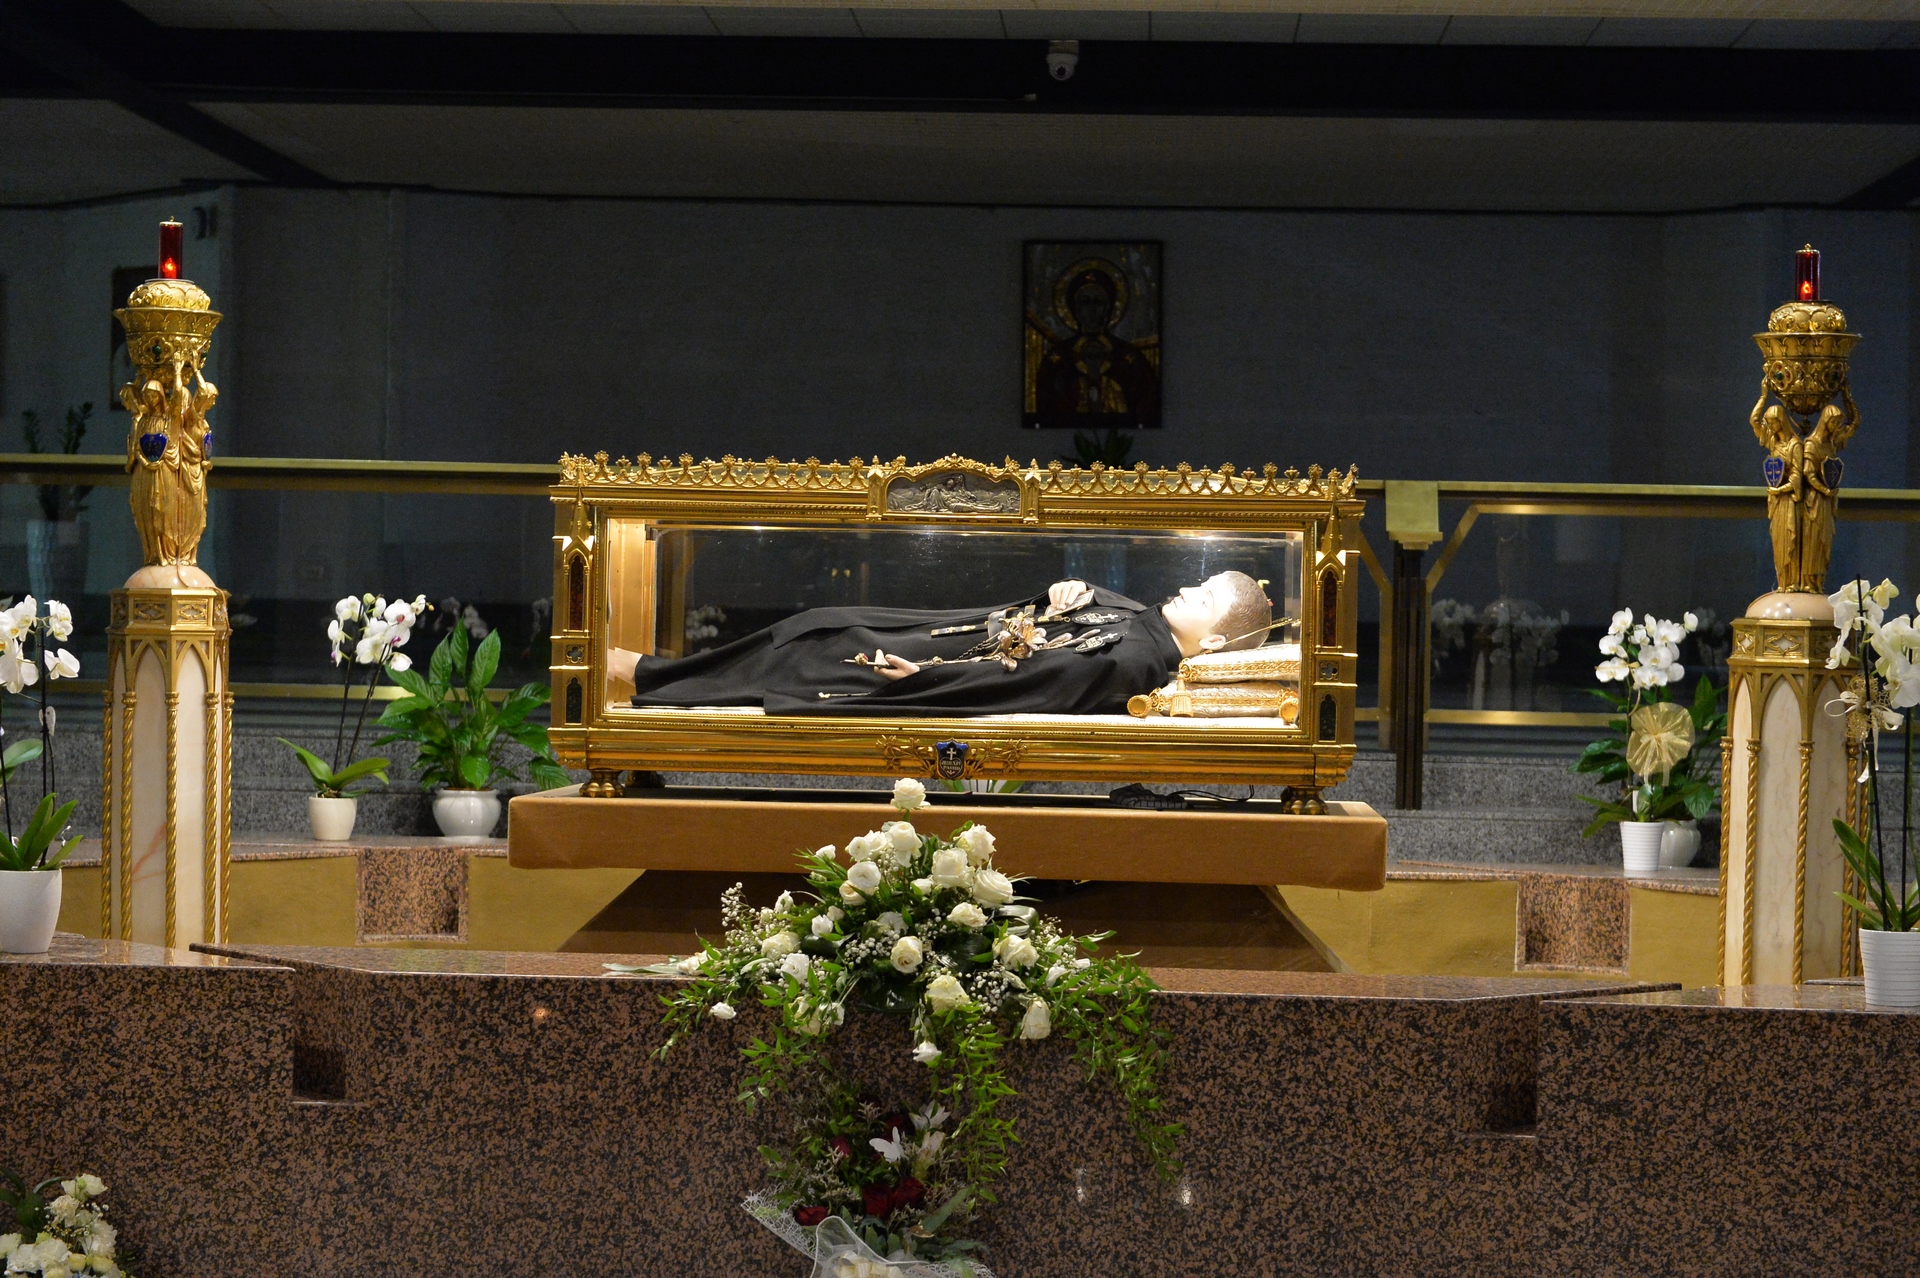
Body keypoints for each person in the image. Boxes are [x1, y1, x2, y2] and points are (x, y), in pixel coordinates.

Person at [608, 571, 1272, 718]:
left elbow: (1027, 687)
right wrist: (1077, 587)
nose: (1189, 587)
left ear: (1211, 642)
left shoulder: (1136, 660)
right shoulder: (1141, 620)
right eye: (1202, 579)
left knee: (819, 651)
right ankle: (663, 674)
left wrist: (924, 680)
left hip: (942, 666)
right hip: (957, 636)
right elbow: (1072, 610)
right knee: (825, 620)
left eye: (1205, 596)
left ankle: (656, 678)